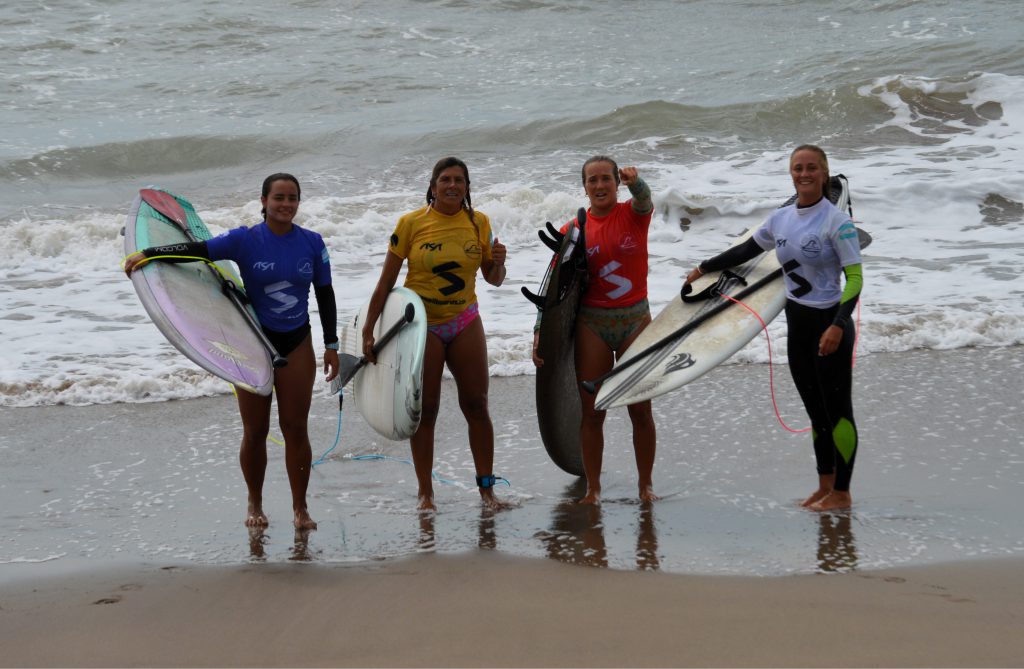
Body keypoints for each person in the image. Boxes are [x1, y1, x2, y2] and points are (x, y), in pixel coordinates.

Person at [125, 173, 339, 530]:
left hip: (297, 341)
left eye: (292, 198)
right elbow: (199, 251)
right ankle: (255, 502)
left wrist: (331, 345)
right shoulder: (245, 239)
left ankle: (300, 509)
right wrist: (150, 253)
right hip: (252, 341)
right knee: (255, 430)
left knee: (295, 428)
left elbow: (325, 294)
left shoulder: (313, 243)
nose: (286, 204)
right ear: (264, 201)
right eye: (279, 197)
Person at [683, 144, 863, 512]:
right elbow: (747, 250)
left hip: (830, 324)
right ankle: (824, 486)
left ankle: (843, 493)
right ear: (791, 174)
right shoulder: (781, 219)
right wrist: (704, 267)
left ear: (824, 173)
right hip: (798, 325)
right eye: (798, 168)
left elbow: (855, 279)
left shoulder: (836, 222)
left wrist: (838, 325)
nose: (804, 174)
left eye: (811, 168)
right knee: (816, 412)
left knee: (838, 412)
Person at [362, 157, 508, 512]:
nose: (452, 185)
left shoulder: (479, 222)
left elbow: (493, 279)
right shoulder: (411, 224)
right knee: (425, 410)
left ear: (467, 187)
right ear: (432, 186)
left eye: (459, 180)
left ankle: (487, 490)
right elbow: (386, 282)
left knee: (477, 405)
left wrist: (499, 262)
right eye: (445, 179)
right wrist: (368, 329)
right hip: (422, 325)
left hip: (464, 320)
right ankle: (425, 493)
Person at [533, 156, 657, 505]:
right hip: (593, 324)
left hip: (635, 320)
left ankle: (645, 486)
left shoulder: (634, 214)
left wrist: (636, 182)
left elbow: (645, 199)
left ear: (616, 183)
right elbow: (552, 288)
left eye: (606, 179)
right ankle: (593, 490)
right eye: (593, 180)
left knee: (640, 410)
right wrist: (541, 331)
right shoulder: (573, 230)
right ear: (584, 187)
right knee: (592, 413)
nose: (600, 185)